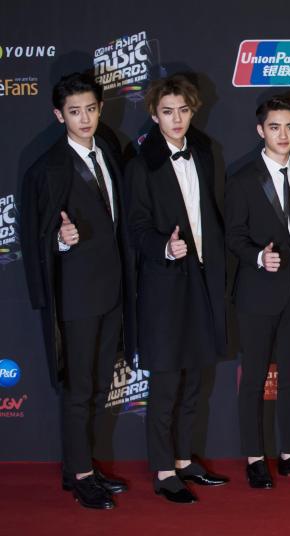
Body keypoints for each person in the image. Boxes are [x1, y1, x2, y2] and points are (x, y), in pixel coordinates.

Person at [20, 72, 131, 509]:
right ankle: (81, 475)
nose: (84, 119)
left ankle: (79, 465)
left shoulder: (110, 152)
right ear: (58, 115)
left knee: (100, 385)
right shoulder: (48, 168)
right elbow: (33, 237)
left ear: (99, 109)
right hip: (77, 298)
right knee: (79, 388)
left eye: (90, 109)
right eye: (73, 111)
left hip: (113, 294)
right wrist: (58, 242)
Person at [124, 75, 229, 503]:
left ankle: (185, 460)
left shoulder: (203, 150)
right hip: (164, 287)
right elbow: (136, 228)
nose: (177, 119)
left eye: (184, 110)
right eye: (168, 112)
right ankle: (164, 470)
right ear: (154, 115)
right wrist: (165, 248)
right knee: (166, 384)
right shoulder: (140, 163)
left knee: (194, 380)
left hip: (202, 279)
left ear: (193, 110)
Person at [225, 95, 290, 489]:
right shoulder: (242, 178)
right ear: (261, 130)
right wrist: (258, 258)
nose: (283, 135)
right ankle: (254, 457)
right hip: (256, 295)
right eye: (275, 127)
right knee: (253, 379)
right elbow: (233, 236)